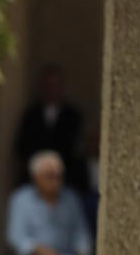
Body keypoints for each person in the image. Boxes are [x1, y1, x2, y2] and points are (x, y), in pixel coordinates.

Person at [13, 62, 88, 193]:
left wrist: (56, 171)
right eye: (48, 85)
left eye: (55, 85)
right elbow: (22, 146)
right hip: (34, 180)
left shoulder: (72, 115)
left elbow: (76, 146)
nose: (52, 89)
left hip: (65, 179)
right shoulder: (32, 114)